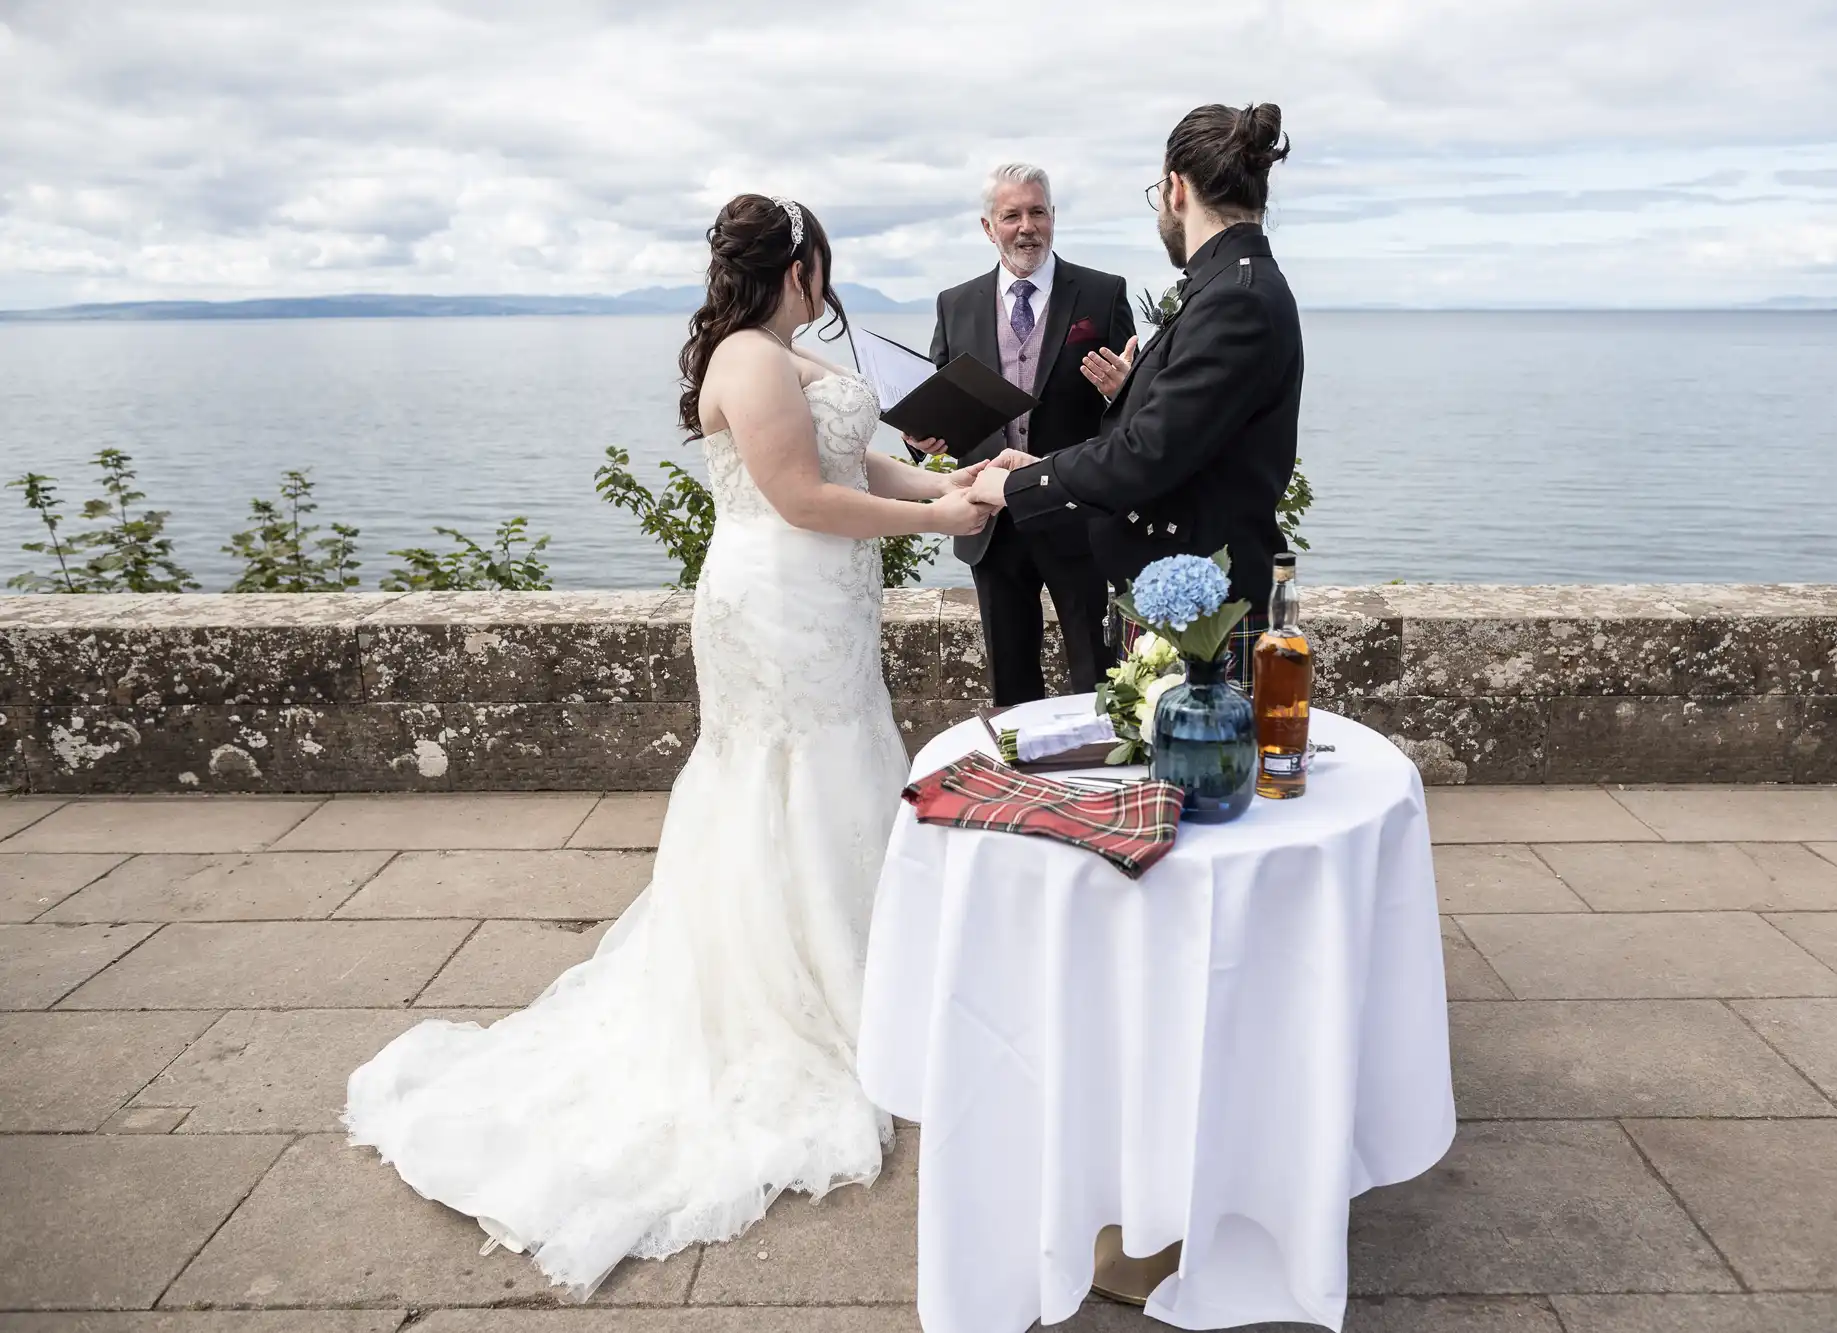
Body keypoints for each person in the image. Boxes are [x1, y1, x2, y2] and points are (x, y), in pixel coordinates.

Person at [344, 194, 996, 1300]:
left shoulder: (786, 353)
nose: (827, 279)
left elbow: (864, 463)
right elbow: (798, 497)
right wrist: (944, 526)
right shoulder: (746, 361)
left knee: (843, 769)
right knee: (781, 782)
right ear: (795, 266)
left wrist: (952, 481)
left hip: (825, 605)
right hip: (777, 598)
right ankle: (812, 1000)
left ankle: (870, 976)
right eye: (821, 262)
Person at [972, 105, 1303, 690]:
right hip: (1178, 591)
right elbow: (1176, 429)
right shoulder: (1226, 285)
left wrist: (1021, 482)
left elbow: (1146, 452)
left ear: (1176, 189)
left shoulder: (1235, 299)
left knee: (1206, 781)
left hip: (1206, 608)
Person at [906, 163, 1138, 705]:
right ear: (989, 227)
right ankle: (1017, 784)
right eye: (1012, 215)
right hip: (992, 521)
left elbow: (1138, 409)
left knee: (1098, 680)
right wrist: (922, 438)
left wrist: (1123, 390)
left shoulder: (1103, 294)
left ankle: (1100, 784)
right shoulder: (954, 303)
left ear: (1053, 218)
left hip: (1077, 517)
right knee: (1010, 683)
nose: (1026, 226)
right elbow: (936, 400)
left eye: (1037, 212)